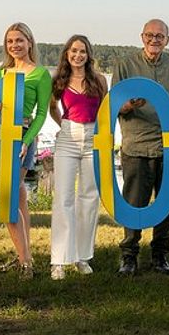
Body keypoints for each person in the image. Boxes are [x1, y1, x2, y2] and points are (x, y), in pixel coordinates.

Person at [113, 19, 169, 276]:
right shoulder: (126, 65)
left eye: (160, 36)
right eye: (150, 35)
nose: (154, 40)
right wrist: (129, 105)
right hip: (136, 145)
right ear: (142, 37)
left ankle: (160, 255)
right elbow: (113, 104)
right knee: (133, 203)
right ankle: (129, 256)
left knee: (165, 204)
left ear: (168, 40)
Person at [0, 22, 52, 280]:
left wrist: (27, 140)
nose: (14, 45)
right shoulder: (1, 73)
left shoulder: (40, 74)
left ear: (29, 42)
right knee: (18, 196)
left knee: (6, 200)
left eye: (19, 40)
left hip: (24, 136)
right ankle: (24, 257)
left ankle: (25, 261)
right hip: (1, 133)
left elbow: (41, 114)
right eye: (10, 41)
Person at [48, 35, 107, 280]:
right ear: (67, 54)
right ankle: (59, 260)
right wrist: (63, 125)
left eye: (82, 51)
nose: (78, 55)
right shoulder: (59, 80)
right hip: (68, 137)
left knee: (89, 197)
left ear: (88, 55)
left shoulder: (99, 80)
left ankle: (83, 256)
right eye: (74, 51)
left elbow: (105, 108)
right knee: (63, 198)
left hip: (94, 136)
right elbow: (52, 107)